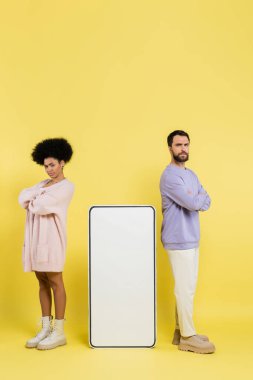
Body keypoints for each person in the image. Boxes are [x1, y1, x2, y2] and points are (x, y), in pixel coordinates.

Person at [160, 130, 215, 354]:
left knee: (187, 287)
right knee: (185, 289)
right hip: (178, 238)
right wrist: (195, 199)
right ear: (170, 148)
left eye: (186, 145)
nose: (183, 149)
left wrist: (196, 198)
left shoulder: (191, 175)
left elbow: (206, 199)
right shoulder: (170, 176)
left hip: (192, 238)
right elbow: (194, 202)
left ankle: (179, 330)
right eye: (178, 145)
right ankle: (188, 337)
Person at [18, 138, 74, 350]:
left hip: (51, 241)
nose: (48, 169)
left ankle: (59, 331)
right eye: (46, 165)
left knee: (55, 282)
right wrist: (35, 196)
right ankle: (45, 327)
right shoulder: (42, 185)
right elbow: (21, 197)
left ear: (62, 162)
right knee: (41, 282)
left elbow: (40, 206)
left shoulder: (67, 187)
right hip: (35, 242)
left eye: (52, 165)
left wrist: (34, 198)